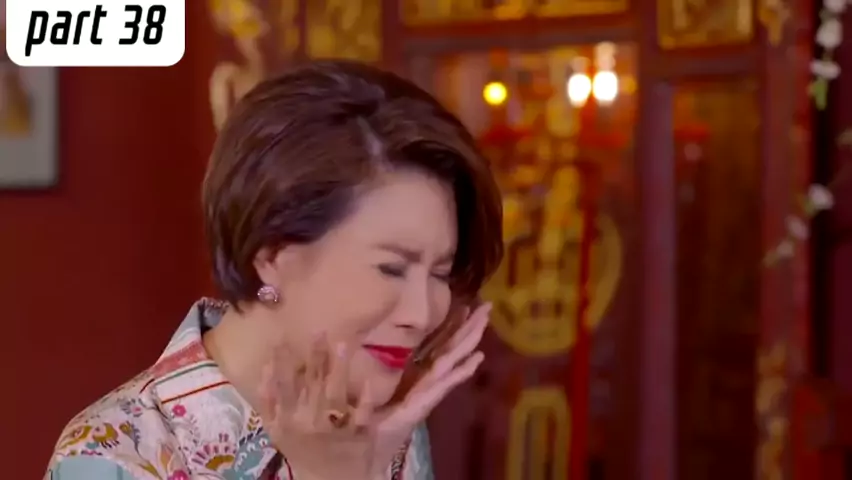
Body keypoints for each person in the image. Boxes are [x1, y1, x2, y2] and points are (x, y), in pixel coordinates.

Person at [44, 60, 504, 480]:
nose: (422, 315)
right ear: (271, 254)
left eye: (439, 273)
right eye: (392, 269)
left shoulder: (386, 419)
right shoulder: (115, 458)